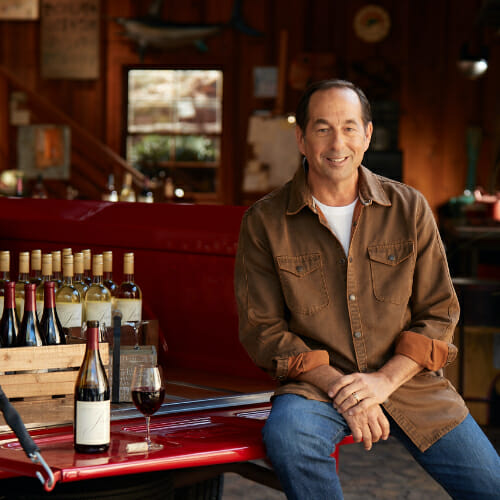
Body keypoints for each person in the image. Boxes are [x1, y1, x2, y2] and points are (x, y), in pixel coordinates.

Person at [234, 79, 500, 499]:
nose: (337, 142)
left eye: (349, 127)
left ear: (368, 134)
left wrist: (381, 382)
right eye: (322, 129)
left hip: (409, 380)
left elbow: (439, 312)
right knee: (288, 436)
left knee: (491, 484)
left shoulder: (409, 208)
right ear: (301, 139)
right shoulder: (265, 222)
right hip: (315, 385)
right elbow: (263, 328)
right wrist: (344, 387)